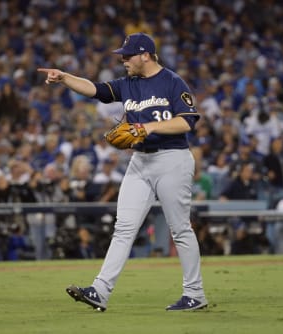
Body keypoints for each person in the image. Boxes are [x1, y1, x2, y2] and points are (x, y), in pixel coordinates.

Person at [38, 32, 207, 311]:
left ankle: (196, 294)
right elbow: (95, 89)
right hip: (140, 161)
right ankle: (100, 291)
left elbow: (187, 122)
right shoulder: (127, 84)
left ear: (146, 55)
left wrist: (146, 127)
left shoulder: (173, 82)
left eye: (128, 55)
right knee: (124, 227)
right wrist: (65, 77)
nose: (123, 60)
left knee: (179, 229)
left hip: (172, 159)